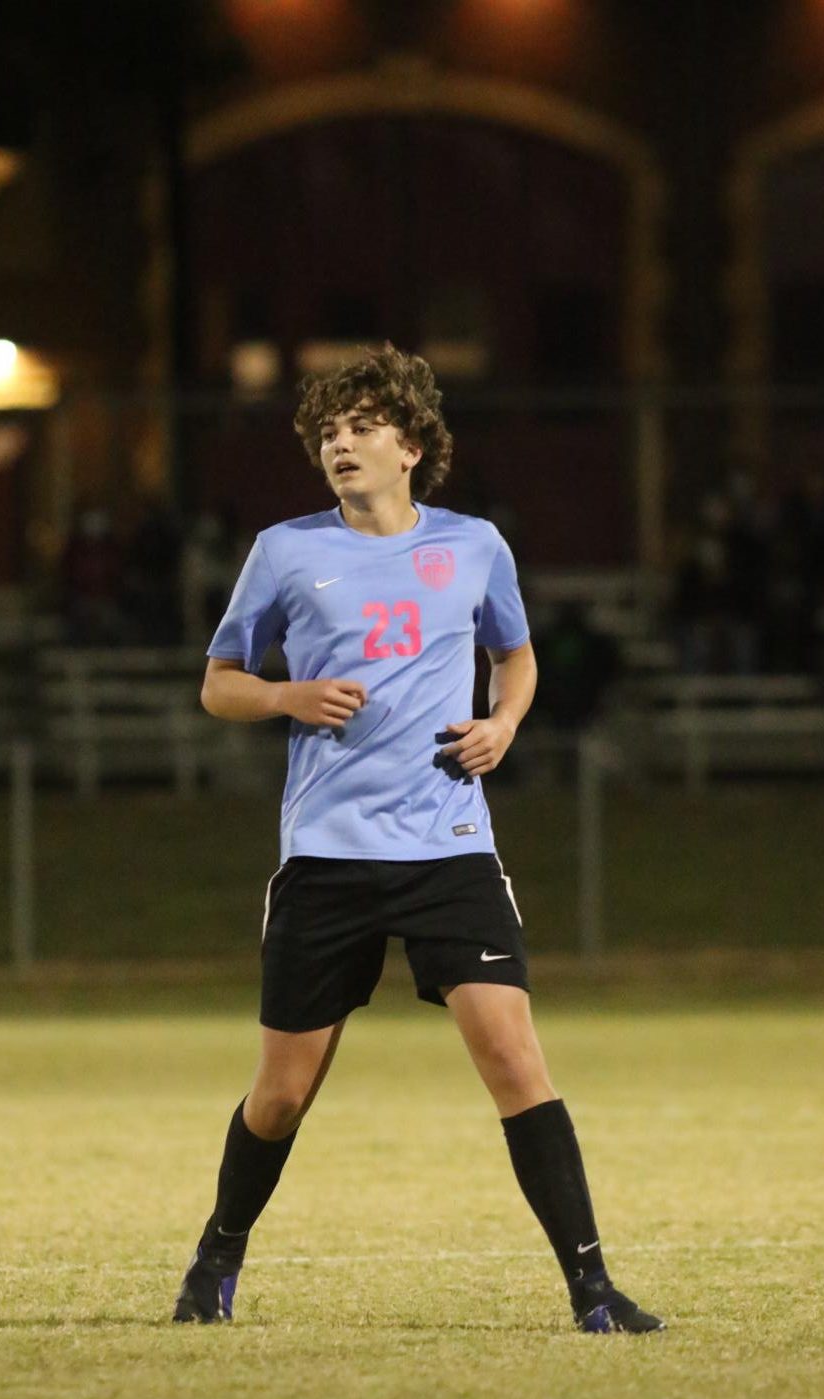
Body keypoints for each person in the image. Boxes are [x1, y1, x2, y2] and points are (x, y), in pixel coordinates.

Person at [173, 344, 664, 1335]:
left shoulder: (474, 545)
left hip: (447, 847)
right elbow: (218, 684)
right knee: (279, 1094)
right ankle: (214, 1256)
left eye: (358, 427)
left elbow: (513, 657)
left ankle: (593, 1289)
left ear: (411, 445)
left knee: (515, 1058)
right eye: (326, 431)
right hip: (327, 852)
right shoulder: (283, 550)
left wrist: (505, 722)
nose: (338, 443)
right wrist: (286, 694)